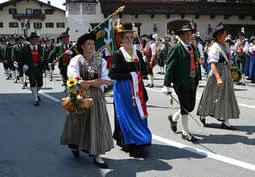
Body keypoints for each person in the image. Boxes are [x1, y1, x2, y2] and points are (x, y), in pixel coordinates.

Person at [60, 33, 114, 168]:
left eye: (92, 44)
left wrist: (98, 82)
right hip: (80, 95)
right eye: (88, 44)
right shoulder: (76, 60)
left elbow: (106, 79)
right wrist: (93, 82)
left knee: (98, 123)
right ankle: (75, 145)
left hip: (96, 97)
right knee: (78, 122)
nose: (91, 47)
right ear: (82, 46)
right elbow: (74, 79)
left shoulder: (100, 61)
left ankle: (97, 154)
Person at [109, 23, 152, 158]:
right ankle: (129, 142)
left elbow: (144, 71)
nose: (128, 40)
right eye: (126, 37)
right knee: (125, 115)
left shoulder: (138, 53)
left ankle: (141, 139)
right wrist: (130, 76)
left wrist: (145, 67)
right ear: (121, 39)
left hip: (137, 89)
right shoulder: (117, 54)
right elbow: (112, 74)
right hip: (123, 90)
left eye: (130, 37)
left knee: (138, 115)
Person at [162, 23, 201, 142]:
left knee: (190, 106)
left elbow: (196, 61)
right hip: (181, 82)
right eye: (188, 34)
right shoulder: (176, 48)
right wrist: (166, 84)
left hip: (193, 81)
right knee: (185, 106)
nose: (190, 36)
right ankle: (185, 132)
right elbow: (170, 67)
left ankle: (173, 118)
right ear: (182, 36)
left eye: (191, 34)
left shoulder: (193, 47)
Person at [197, 23, 240, 130]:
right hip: (218, 73)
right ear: (218, 35)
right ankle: (203, 114)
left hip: (226, 72)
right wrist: (218, 78)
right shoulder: (214, 47)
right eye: (224, 33)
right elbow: (212, 64)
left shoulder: (225, 45)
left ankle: (225, 121)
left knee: (226, 96)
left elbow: (227, 58)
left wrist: (229, 64)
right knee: (210, 95)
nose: (225, 35)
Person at [21, 32, 46, 106]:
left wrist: (45, 67)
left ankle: (36, 93)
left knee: (40, 83)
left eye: (36, 39)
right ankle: (35, 98)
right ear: (30, 40)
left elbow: (45, 59)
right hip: (30, 68)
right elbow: (21, 59)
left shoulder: (41, 48)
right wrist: (23, 66)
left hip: (39, 67)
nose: (35, 41)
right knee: (32, 82)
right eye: (33, 39)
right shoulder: (25, 49)